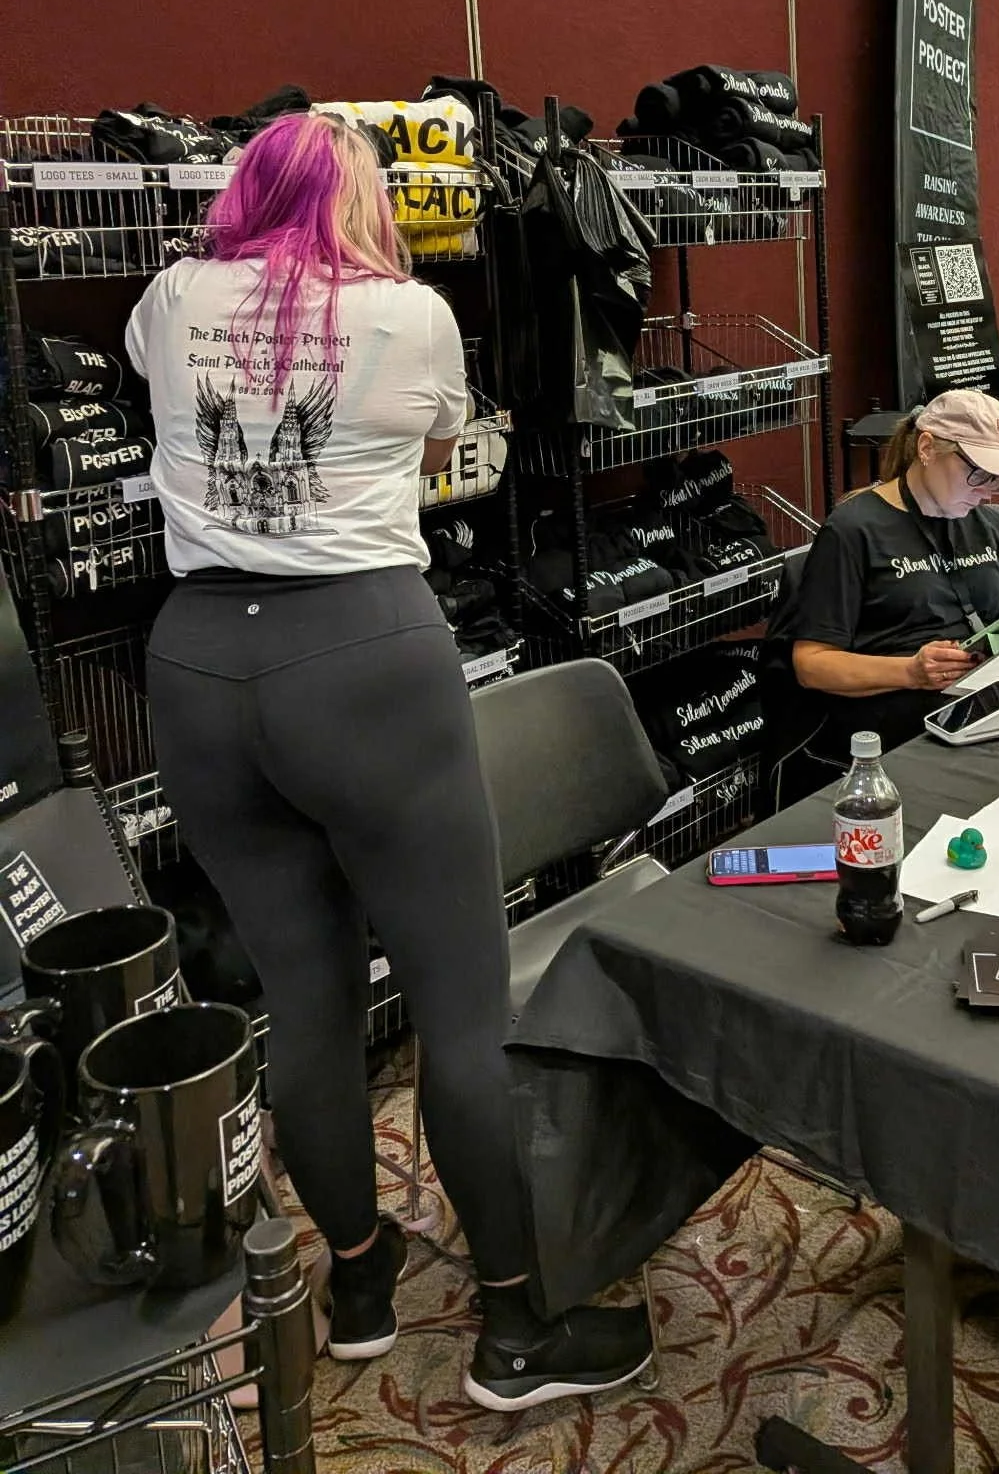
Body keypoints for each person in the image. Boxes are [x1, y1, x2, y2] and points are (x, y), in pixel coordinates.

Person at [126, 113, 650, 1413]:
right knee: (460, 1010)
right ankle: (516, 1328)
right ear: (359, 200)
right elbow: (428, 452)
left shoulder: (170, 297)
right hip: (363, 656)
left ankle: (357, 1287)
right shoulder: (411, 317)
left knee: (303, 1002)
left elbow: (167, 388)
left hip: (199, 665)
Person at [760, 389, 999, 806]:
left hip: (973, 709)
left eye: (998, 478)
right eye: (979, 473)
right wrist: (910, 671)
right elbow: (812, 665)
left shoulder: (985, 524)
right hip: (889, 726)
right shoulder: (853, 530)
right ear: (927, 448)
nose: (988, 491)